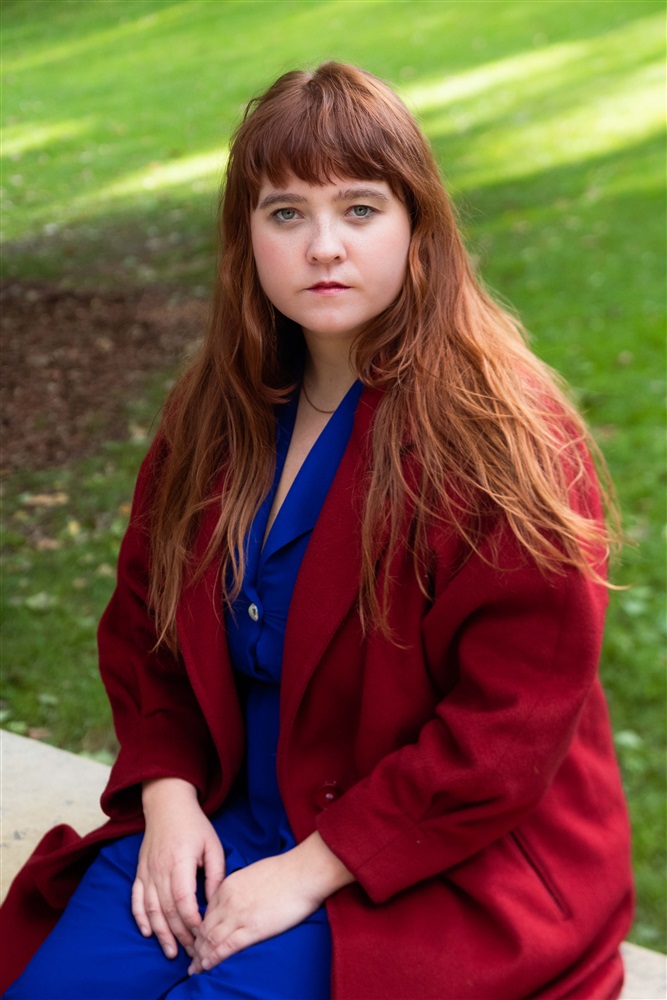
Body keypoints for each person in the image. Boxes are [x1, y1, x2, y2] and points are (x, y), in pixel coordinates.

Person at [1, 62, 633, 1000]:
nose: (323, 246)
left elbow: (505, 729)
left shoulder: (505, 439)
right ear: (246, 238)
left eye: (360, 209)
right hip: (227, 805)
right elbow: (146, 630)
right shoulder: (214, 413)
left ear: (418, 225)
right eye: (286, 213)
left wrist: (307, 871)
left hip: (427, 850)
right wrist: (168, 800)